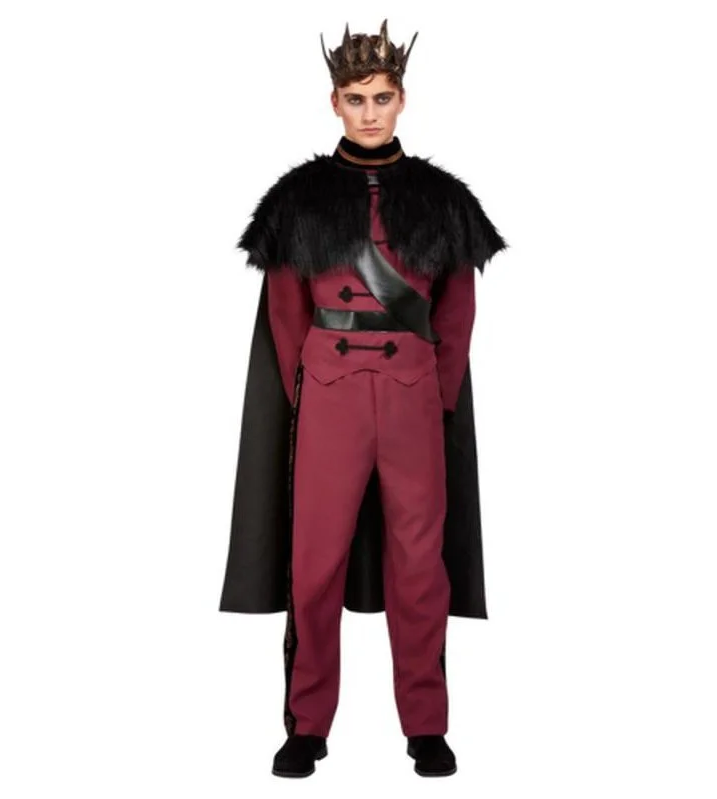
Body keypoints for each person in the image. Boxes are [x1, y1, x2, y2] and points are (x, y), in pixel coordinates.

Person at [218, 18, 507, 778]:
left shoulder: (442, 201)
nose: (369, 112)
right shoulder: (298, 200)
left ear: (402, 100)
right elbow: (286, 315)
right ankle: (307, 725)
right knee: (314, 562)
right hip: (330, 398)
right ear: (335, 103)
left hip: (413, 398)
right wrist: (315, 388)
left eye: (381, 97)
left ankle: (426, 727)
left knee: (421, 565)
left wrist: (433, 395)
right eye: (356, 98)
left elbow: (455, 314)